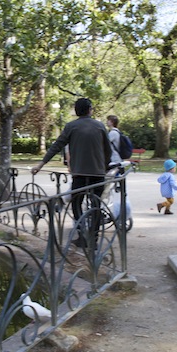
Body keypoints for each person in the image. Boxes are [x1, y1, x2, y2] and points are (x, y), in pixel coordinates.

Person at [31, 98, 112, 247]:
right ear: (90, 109)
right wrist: (104, 166)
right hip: (98, 174)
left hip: (79, 174)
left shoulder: (71, 127)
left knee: (76, 203)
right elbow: (108, 151)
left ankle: (82, 235)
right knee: (96, 205)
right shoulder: (100, 126)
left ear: (76, 111)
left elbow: (56, 146)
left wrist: (40, 164)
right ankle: (93, 239)